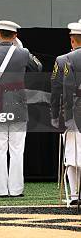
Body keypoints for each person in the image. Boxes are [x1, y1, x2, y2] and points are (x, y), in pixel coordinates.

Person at [0, 21, 42, 197]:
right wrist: (22, 48)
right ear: (15, 35)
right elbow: (38, 67)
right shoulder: (23, 53)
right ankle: (15, 189)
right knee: (16, 150)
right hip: (18, 107)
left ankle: (0, 190)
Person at [61, 21, 81, 205]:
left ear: (72, 40)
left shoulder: (65, 59)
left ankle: (75, 196)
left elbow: (65, 90)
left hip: (75, 114)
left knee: (73, 157)